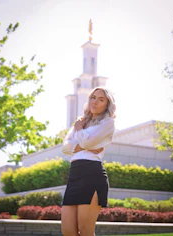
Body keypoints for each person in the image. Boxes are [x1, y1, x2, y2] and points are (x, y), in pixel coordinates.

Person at [61, 87, 116, 236]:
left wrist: (79, 132)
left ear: (107, 104)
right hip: (74, 175)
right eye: (93, 97)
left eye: (101, 99)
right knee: (68, 231)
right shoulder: (82, 120)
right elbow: (65, 147)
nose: (95, 101)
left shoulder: (107, 122)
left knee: (85, 231)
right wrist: (84, 146)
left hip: (92, 174)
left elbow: (85, 143)